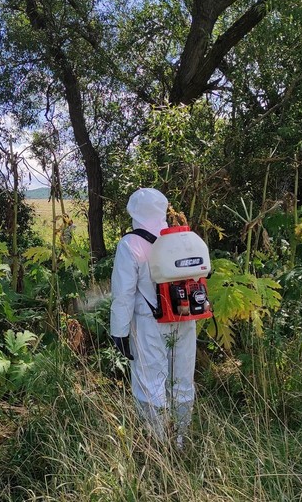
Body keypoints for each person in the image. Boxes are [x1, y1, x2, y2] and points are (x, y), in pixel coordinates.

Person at [109, 188, 197, 445]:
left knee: (150, 382)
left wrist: (119, 333)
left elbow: (123, 295)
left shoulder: (130, 244)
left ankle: (157, 442)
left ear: (133, 212)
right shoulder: (182, 239)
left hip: (148, 323)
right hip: (184, 318)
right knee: (181, 378)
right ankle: (180, 439)